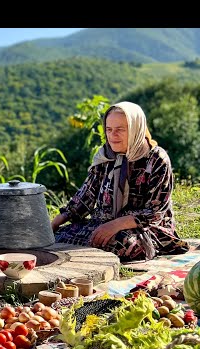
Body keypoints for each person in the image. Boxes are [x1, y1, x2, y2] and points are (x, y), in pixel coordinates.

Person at [51, 101, 189, 262]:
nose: (112, 135)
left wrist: (115, 225)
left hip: (144, 229)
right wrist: (52, 225)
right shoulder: (105, 155)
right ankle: (94, 247)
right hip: (102, 223)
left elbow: (155, 212)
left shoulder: (156, 159)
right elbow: (85, 196)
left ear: (136, 129)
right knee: (59, 235)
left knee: (121, 243)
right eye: (109, 130)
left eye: (120, 130)